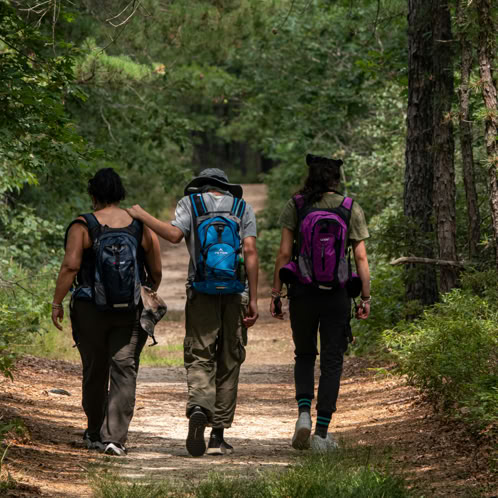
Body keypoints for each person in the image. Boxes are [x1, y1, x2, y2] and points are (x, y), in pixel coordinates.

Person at [126, 168, 259, 457]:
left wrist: (141, 215)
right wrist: (254, 299)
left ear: (200, 186)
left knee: (200, 353)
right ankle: (217, 436)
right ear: (225, 188)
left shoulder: (191, 204)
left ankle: (199, 406)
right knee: (230, 356)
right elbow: (250, 251)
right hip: (236, 291)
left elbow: (174, 235)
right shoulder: (242, 207)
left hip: (200, 290)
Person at [51, 168, 162, 456]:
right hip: (129, 310)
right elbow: (156, 270)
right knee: (124, 369)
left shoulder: (83, 225)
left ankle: (93, 432)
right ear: (120, 194)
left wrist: (56, 302)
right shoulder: (139, 226)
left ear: (93, 195)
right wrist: (142, 290)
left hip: (90, 309)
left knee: (95, 369)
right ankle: (114, 439)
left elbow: (71, 266)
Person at [270, 154, 370, 452]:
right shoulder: (349, 207)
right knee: (332, 361)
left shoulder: (297, 205)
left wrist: (276, 294)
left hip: (303, 292)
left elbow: (284, 254)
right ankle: (322, 433)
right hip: (337, 295)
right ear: (335, 179)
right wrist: (365, 297)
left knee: (304, 354)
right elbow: (361, 258)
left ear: (309, 176)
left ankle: (303, 415)